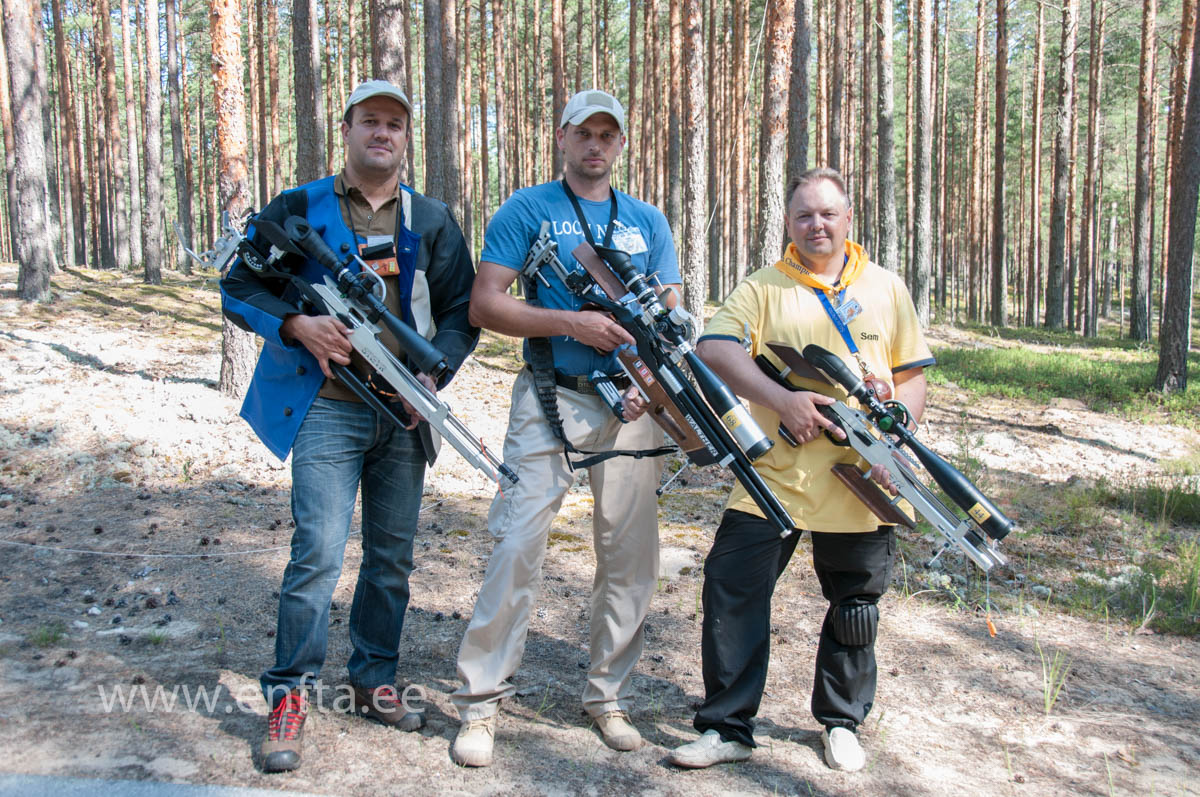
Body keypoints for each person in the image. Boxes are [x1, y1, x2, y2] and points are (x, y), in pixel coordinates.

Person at [220, 79, 478, 773]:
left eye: (395, 124)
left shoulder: (430, 218)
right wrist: (297, 324)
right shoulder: (299, 206)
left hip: (403, 411)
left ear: (405, 138)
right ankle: (290, 693)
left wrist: (437, 371)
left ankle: (374, 676)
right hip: (328, 407)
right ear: (347, 129)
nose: (382, 133)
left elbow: (460, 311)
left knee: (391, 559)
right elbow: (237, 287)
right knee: (318, 555)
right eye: (370, 121)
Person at [667, 167, 935, 772]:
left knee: (855, 603)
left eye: (828, 213)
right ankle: (728, 727)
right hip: (774, 473)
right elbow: (715, 349)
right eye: (804, 215)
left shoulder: (887, 288)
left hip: (861, 478)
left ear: (848, 219)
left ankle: (841, 722)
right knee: (732, 590)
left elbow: (912, 378)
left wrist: (897, 436)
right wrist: (781, 400)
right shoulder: (765, 285)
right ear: (788, 223)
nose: (817, 224)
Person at [449, 89, 681, 767]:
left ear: (620, 144)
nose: (595, 146)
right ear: (562, 137)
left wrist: (651, 385)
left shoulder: (648, 223)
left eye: (608, 135)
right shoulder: (528, 209)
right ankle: (481, 701)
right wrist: (571, 323)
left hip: (632, 406)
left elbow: (668, 318)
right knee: (517, 540)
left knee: (630, 555)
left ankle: (608, 696)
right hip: (550, 395)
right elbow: (486, 304)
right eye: (585, 133)